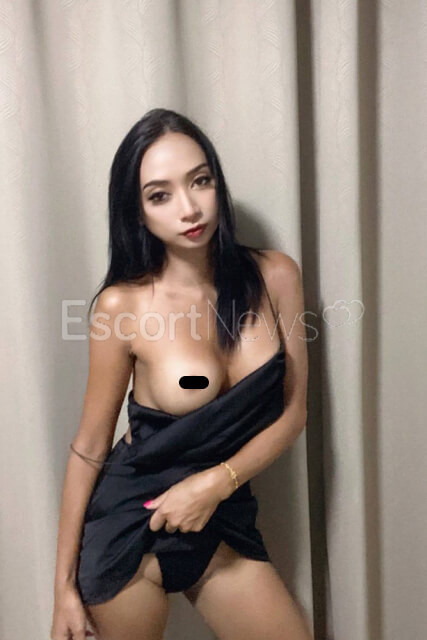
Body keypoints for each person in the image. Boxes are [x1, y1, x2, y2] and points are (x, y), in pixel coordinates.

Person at [50, 108, 312, 640]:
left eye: (200, 181)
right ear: (137, 212)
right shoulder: (122, 307)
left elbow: (293, 412)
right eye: (160, 195)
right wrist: (63, 589)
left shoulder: (276, 276)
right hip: (130, 523)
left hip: (220, 512)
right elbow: (91, 445)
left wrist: (217, 483)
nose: (189, 208)